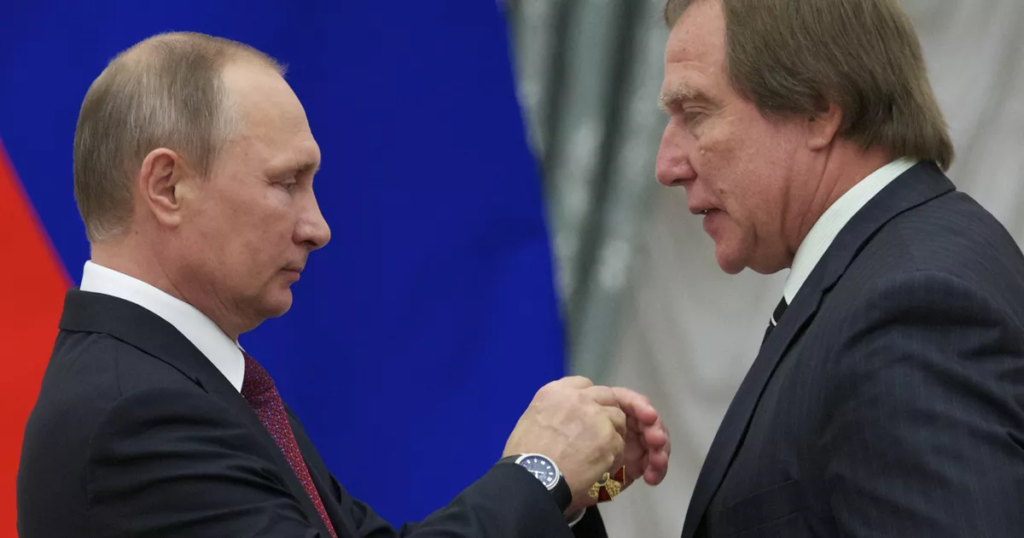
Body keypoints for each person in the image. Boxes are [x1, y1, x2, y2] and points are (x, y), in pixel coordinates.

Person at [16, 32, 671, 538]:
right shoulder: (137, 414)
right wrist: (538, 474)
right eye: (285, 183)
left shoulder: (190, 383)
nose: (318, 227)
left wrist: (569, 483)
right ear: (167, 187)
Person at [655, 0, 1024, 536]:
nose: (667, 166)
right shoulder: (885, 279)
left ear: (818, 112)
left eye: (696, 113)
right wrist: (565, 492)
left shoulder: (911, 311)